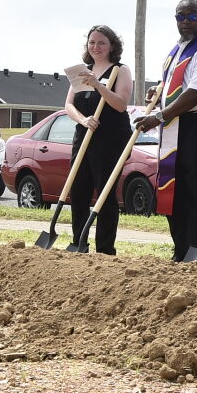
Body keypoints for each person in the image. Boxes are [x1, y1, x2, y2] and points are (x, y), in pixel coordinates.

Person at [134, 0, 197, 273]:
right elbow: (176, 85)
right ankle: (182, 251)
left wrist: (160, 116)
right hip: (177, 126)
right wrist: (159, 92)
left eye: (191, 16)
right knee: (176, 191)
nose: (185, 21)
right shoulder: (178, 50)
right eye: (180, 16)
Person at [62, 24, 134, 256]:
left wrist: (98, 85)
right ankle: (79, 242)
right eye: (92, 42)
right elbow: (69, 105)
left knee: (105, 191)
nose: (96, 47)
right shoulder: (81, 71)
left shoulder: (120, 70)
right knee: (79, 188)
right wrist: (83, 121)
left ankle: (105, 248)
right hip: (85, 134)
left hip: (110, 138)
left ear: (112, 45)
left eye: (101, 42)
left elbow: (121, 104)